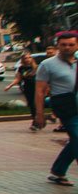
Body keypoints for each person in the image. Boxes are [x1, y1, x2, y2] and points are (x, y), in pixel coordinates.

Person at [35, 32, 78, 185]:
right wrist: (39, 114)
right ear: (57, 45)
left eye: (71, 44)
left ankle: (58, 170)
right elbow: (40, 91)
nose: (67, 47)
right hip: (65, 105)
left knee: (75, 140)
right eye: (63, 44)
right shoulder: (47, 64)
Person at [5, 51, 39, 127]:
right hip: (27, 88)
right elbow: (18, 79)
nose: (28, 59)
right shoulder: (21, 68)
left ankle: (37, 121)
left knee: (36, 104)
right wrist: (10, 86)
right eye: (26, 58)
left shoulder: (36, 67)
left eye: (29, 57)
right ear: (23, 60)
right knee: (31, 105)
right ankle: (35, 119)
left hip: (37, 88)